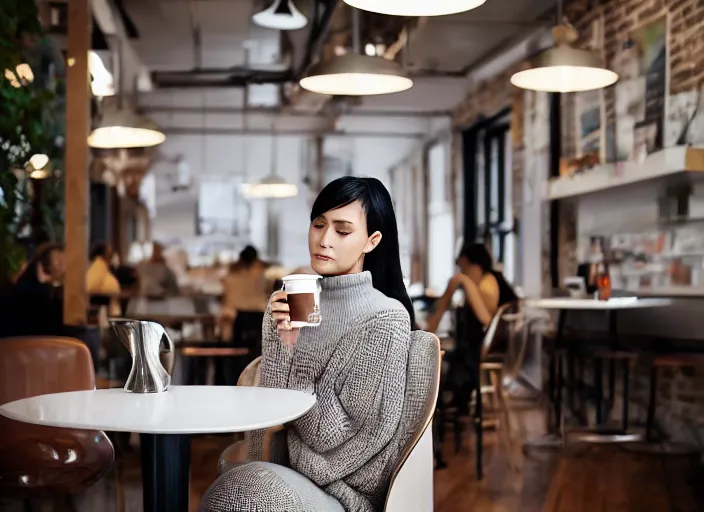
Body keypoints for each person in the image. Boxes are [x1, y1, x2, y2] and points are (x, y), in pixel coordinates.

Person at [201, 177, 415, 512]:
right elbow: (264, 424)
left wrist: (296, 358)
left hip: (344, 495)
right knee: (233, 483)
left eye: (342, 231)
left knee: (240, 493)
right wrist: (279, 340)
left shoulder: (385, 320)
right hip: (294, 472)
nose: (324, 240)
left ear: (370, 241)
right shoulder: (290, 304)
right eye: (318, 225)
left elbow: (329, 437)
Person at [426, 242, 518, 415]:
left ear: (473, 265)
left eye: (463, 268)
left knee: (445, 362)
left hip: (486, 350)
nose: (461, 272)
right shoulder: (488, 281)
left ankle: (444, 407)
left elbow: (485, 319)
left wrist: (464, 282)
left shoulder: (487, 283)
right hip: (484, 349)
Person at [218, 245, 269, 385]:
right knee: (256, 355)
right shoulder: (261, 277)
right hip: (259, 318)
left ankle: (232, 381)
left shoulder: (229, 277)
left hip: (237, 320)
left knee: (234, 358)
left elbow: (226, 300)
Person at [86, 242, 121, 317]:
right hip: (100, 313)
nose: (111, 256)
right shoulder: (97, 267)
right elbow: (91, 287)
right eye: (109, 253)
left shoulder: (102, 270)